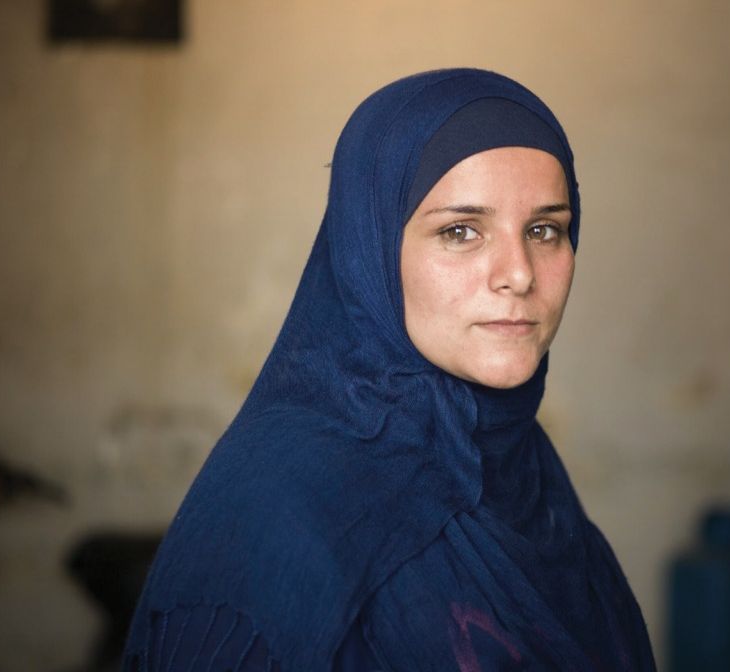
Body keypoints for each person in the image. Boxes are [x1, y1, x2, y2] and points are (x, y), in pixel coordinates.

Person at [122, 68, 655, 671]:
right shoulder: (276, 513)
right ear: (367, 250)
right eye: (461, 231)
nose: (519, 273)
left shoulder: (524, 474)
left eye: (544, 229)